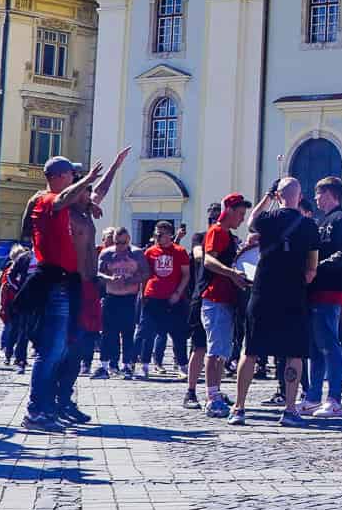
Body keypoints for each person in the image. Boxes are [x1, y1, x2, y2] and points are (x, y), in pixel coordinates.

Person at [22, 155, 108, 432]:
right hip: (53, 283)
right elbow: (62, 199)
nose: (76, 180)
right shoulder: (46, 200)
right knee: (51, 351)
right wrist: (88, 179)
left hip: (65, 283)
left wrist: (112, 169)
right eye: (72, 175)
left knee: (60, 349)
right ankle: (37, 410)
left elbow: (87, 195)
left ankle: (48, 408)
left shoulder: (70, 205)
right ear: (59, 176)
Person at [233, 177, 318, 427]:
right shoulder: (309, 226)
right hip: (293, 295)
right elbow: (312, 269)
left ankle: (239, 408)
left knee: (250, 351)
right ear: (300, 197)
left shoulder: (267, 220)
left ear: (279, 196)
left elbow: (251, 222)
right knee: (294, 354)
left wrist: (268, 197)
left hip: (263, 292)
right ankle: (290, 410)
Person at [304, 176, 342, 418]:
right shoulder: (320, 221)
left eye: (318, 193)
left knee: (329, 343)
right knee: (315, 347)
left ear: (330, 194)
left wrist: (319, 266)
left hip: (331, 288)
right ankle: (313, 397)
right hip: (316, 289)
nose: (315, 198)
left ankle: (334, 398)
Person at [199, 194, 252, 416]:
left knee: (221, 350)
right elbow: (208, 260)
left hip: (225, 300)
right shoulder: (217, 231)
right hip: (215, 298)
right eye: (240, 213)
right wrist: (232, 273)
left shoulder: (228, 235)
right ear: (229, 210)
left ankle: (216, 393)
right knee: (216, 349)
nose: (242, 219)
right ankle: (212, 397)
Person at [136, 221, 191, 380]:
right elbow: (145, 274)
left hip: (174, 298)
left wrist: (178, 293)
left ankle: (182, 366)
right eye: (155, 234)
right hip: (153, 296)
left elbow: (186, 274)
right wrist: (143, 294)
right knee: (148, 332)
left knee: (178, 334)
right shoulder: (150, 252)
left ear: (169, 234)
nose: (157, 237)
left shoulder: (180, 251)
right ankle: (144, 365)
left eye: (160, 234)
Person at [97, 228, 145, 378]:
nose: (120, 246)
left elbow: (146, 273)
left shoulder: (136, 253)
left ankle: (127, 365)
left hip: (129, 297)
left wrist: (132, 279)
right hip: (112, 296)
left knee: (128, 333)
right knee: (108, 333)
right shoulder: (107, 253)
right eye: (117, 242)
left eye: (123, 243)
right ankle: (105, 365)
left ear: (129, 240)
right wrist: (110, 278)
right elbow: (97, 272)